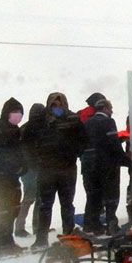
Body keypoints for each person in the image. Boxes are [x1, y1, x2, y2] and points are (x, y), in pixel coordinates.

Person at [30, 92, 86, 249]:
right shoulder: (42, 121)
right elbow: (31, 140)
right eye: (53, 105)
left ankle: (68, 235)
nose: (57, 107)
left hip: (67, 169)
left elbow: (83, 140)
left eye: (59, 104)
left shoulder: (73, 119)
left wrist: (74, 153)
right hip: (46, 170)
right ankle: (41, 239)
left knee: (67, 204)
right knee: (45, 205)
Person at [83, 99, 132, 235]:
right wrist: (125, 160)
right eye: (110, 109)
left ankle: (93, 225)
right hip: (107, 165)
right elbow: (113, 145)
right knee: (111, 195)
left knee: (94, 196)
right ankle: (112, 224)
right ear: (105, 108)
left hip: (89, 166)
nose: (111, 112)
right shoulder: (108, 122)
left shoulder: (87, 122)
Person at [0, 97, 26, 256]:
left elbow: (19, 152)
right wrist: (12, 167)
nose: (18, 115)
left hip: (11, 178)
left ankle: (9, 242)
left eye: (20, 113)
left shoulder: (15, 130)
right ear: (6, 113)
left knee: (13, 210)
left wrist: (22, 166)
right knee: (3, 211)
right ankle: (3, 245)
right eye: (15, 112)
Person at [14, 103, 45, 238]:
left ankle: (20, 226)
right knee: (37, 198)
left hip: (26, 169)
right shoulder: (40, 129)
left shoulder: (23, 128)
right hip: (35, 168)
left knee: (28, 198)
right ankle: (35, 226)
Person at [77, 92, 106, 231]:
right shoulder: (94, 116)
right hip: (95, 157)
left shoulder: (80, 115)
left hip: (85, 158)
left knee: (91, 192)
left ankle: (91, 221)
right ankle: (93, 223)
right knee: (96, 193)